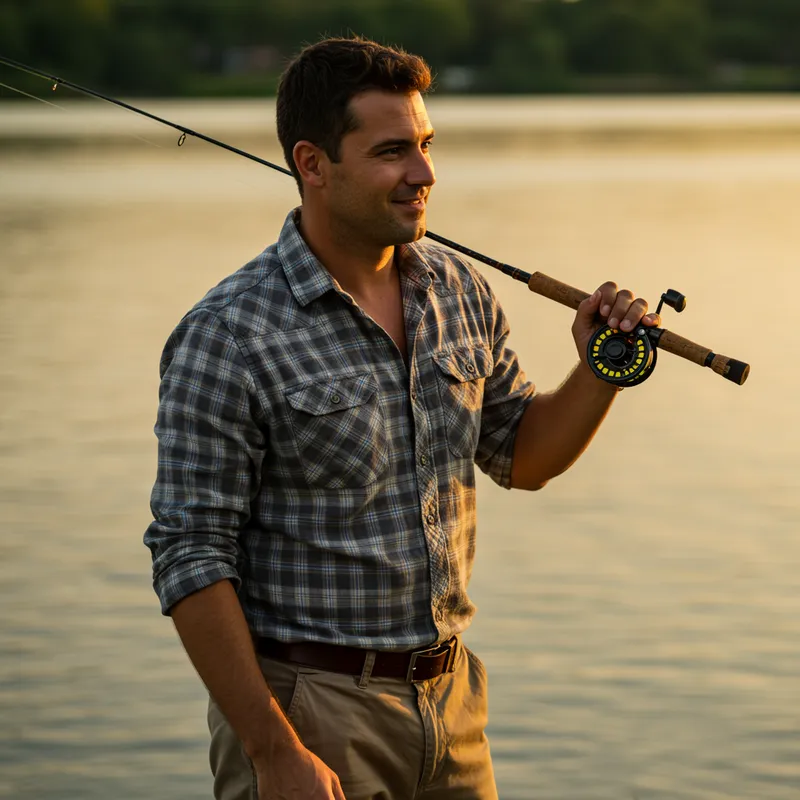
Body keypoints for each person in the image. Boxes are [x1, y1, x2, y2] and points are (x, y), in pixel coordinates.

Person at [144, 36, 659, 800]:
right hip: (309, 712)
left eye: (425, 145)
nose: (424, 174)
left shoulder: (458, 290)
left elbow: (524, 457)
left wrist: (598, 371)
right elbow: (189, 554)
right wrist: (272, 750)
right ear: (313, 164)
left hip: (452, 704)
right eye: (392, 152)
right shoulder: (226, 334)